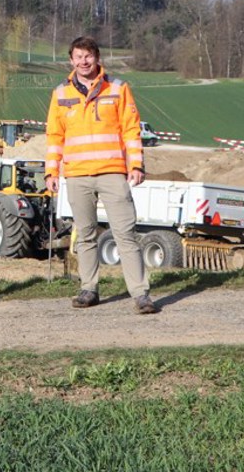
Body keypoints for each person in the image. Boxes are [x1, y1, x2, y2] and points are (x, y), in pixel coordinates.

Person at [43, 36, 158, 315]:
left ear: (97, 58)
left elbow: (131, 129)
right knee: (84, 235)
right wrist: (51, 170)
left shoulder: (118, 88)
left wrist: (136, 165)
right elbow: (54, 136)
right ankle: (88, 289)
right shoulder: (60, 94)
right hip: (77, 175)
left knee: (125, 234)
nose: (83, 62)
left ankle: (141, 294)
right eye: (78, 57)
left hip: (112, 172)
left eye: (88, 56)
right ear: (71, 60)